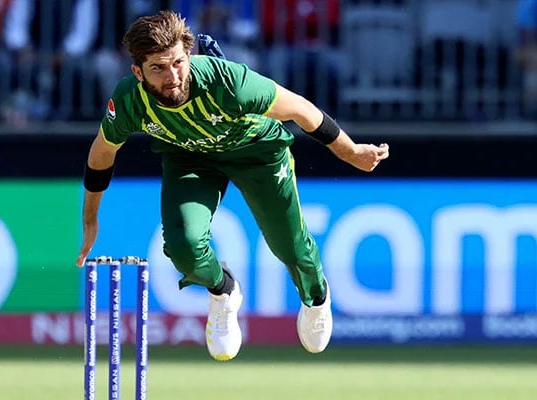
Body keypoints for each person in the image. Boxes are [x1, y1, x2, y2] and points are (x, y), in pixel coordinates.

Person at [75, 11, 389, 361]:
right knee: (184, 247)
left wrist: (351, 152)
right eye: (158, 68)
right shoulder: (132, 100)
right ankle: (224, 291)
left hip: (257, 152)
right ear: (138, 72)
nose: (173, 77)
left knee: (289, 247)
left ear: (189, 56)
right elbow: (102, 151)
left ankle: (316, 297)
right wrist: (90, 219)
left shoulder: (229, 83)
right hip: (190, 157)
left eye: (179, 63)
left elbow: (300, 109)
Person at [516, 0, 537, 117]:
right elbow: (526, 33)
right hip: (528, 48)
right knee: (533, 59)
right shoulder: (529, 2)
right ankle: (532, 111)